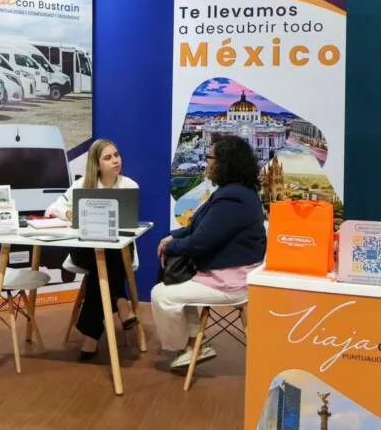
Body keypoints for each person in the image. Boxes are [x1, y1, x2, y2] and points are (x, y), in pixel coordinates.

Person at [151, 134, 266, 370]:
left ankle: (184, 347)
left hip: (232, 281)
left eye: (210, 158)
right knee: (175, 284)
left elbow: (200, 242)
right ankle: (193, 345)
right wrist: (174, 236)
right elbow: (202, 227)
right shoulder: (238, 193)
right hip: (230, 272)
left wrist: (170, 247)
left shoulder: (232, 198)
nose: (206, 162)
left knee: (161, 295)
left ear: (224, 164)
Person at [46, 138, 139, 359]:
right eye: (108, 157)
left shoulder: (129, 186)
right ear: (96, 164)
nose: (115, 160)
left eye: (116, 155)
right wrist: (69, 212)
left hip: (118, 251)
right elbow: (52, 208)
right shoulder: (82, 186)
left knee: (106, 259)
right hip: (85, 252)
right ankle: (120, 301)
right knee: (102, 259)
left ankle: (91, 335)